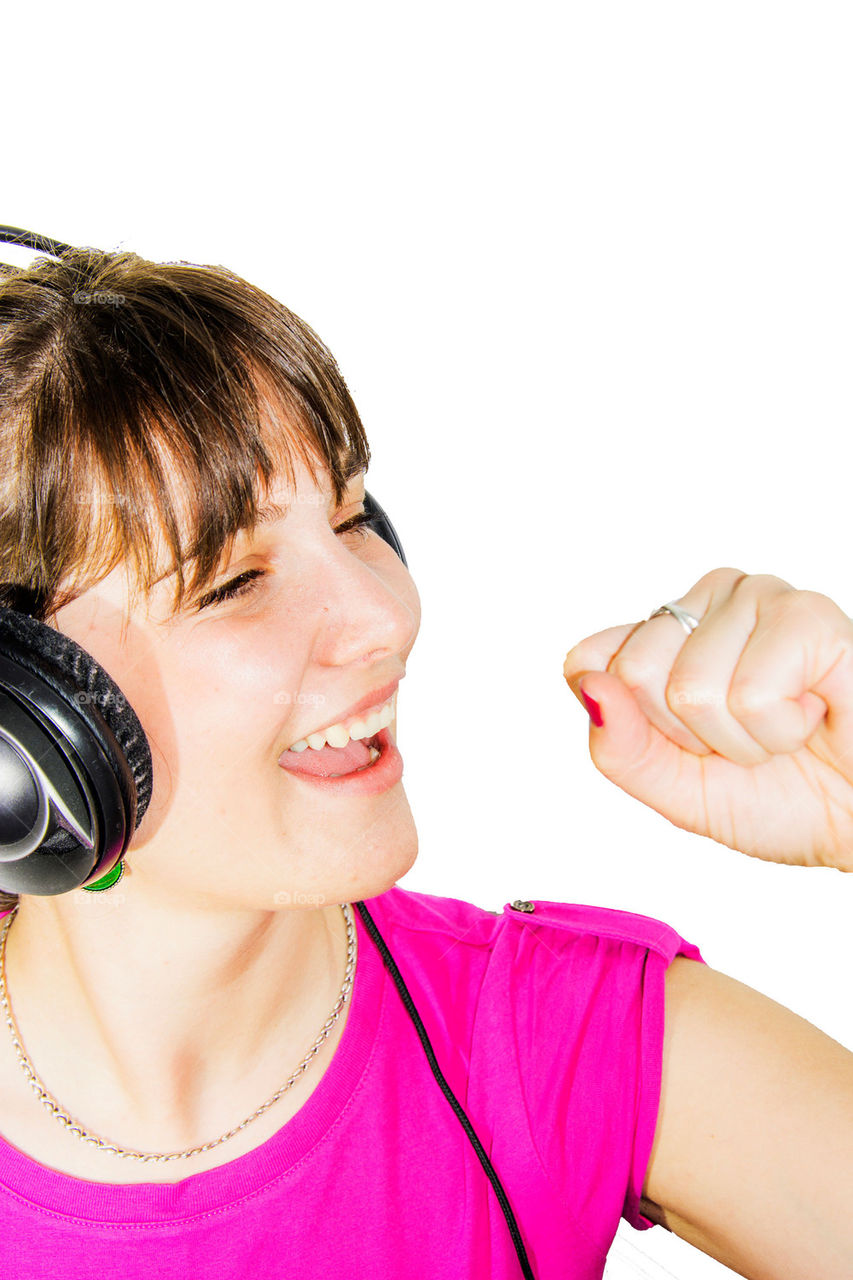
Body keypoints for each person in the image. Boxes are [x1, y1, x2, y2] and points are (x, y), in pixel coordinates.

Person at [0, 243, 850, 1280]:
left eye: (354, 518)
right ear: (29, 716)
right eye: (235, 579)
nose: (384, 616)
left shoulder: (563, 1040)